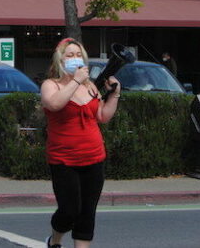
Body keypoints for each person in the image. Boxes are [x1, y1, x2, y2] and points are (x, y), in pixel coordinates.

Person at [40, 38, 121, 248]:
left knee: (87, 212)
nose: (74, 59)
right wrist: (75, 81)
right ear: (60, 60)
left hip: (94, 157)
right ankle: (54, 240)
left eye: (78, 55)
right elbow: (55, 104)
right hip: (63, 160)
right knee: (69, 210)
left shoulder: (90, 86)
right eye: (70, 55)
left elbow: (102, 116)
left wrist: (115, 95)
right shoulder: (51, 85)